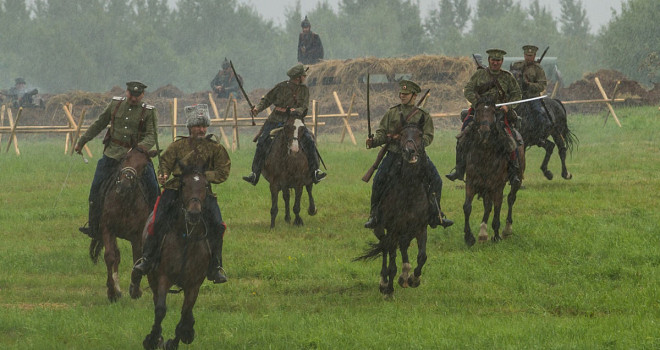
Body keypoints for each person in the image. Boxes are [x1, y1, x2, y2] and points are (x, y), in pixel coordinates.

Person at [133, 104, 230, 284]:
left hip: (202, 193)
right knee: (157, 220)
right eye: (197, 125)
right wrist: (162, 174)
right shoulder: (178, 146)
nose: (201, 129)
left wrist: (199, 178)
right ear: (189, 127)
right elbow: (164, 164)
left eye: (203, 125)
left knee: (217, 225)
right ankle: (147, 259)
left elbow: (223, 172)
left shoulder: (215, 148)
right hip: (175, 190)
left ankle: (215, 266)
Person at [75, 81, 160, 239]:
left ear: (142, 95)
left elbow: (151, 135)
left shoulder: (148, 112)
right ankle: (94, 227)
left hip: (136, 158)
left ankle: (156, 227)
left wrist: (138, 150)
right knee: (95, 189)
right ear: (126, 92)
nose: (133, 99)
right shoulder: (115, 104)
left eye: (137, 96)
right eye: (131, 94)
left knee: (154, 189)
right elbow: (99, 123)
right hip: (112, 155)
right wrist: (82, 141)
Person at [364, 80, 453, 230]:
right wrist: (373, 141)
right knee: (378, 179)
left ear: (414, 95)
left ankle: (436, 214)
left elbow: (428, 136)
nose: (402, 96)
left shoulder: (423, 115)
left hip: (417, 156)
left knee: (436, 180)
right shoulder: (391, 112)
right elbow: (382, 132)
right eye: (401, 94)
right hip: (394, 154)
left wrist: (413, 146)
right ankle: (374, 215)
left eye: (406, 94)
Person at [446, 48, 523, 186]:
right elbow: (468, 90)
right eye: (493, 60)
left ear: (502, 61)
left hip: (499, 114)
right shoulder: (479, 75)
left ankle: (513, 172)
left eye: (498, 60)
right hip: (479, 113)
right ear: (489, 60)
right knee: (462, 138)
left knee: (511, 141)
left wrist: (508, 107)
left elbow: (517, 95)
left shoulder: (507, 77)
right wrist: (478, 105)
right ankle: (459, 170)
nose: (495, 63)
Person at [243, 64, 326, 185]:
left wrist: (295, 111)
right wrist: (257, 109)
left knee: (309, 140)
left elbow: (303, 107)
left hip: (295, 121)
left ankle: (315, 172)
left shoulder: (304, 90)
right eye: (303, 75)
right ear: (298, 77)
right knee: (261, 142)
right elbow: (267, 99)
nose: (305, 77)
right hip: (276, 120)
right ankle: (255, 173)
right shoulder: (280, 87)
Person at [510, 45, 552, 138]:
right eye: (527, 55)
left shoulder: (538, 69)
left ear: (534, 55)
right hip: (518, 97)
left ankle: (540, 135)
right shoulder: (517, 65)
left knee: (538, 113)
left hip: (532, 97)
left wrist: (529, 85)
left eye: (531, 55)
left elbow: (542, 85)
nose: (529, 57)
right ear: (524, 55)